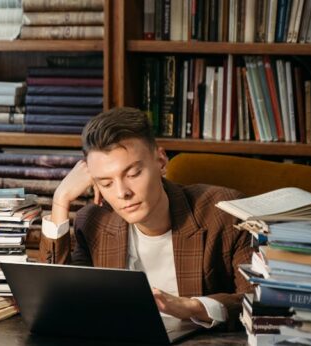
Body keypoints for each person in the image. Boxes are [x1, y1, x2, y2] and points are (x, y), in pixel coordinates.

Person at [38, 107, 253, 331]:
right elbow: (58, 305)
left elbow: (260, 302)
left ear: (160, 161)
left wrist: (192, 307)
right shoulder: (94, 222)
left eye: (133, 174)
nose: (122, 193)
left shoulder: (226, 213)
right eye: (106, 183)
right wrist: (60, 201)